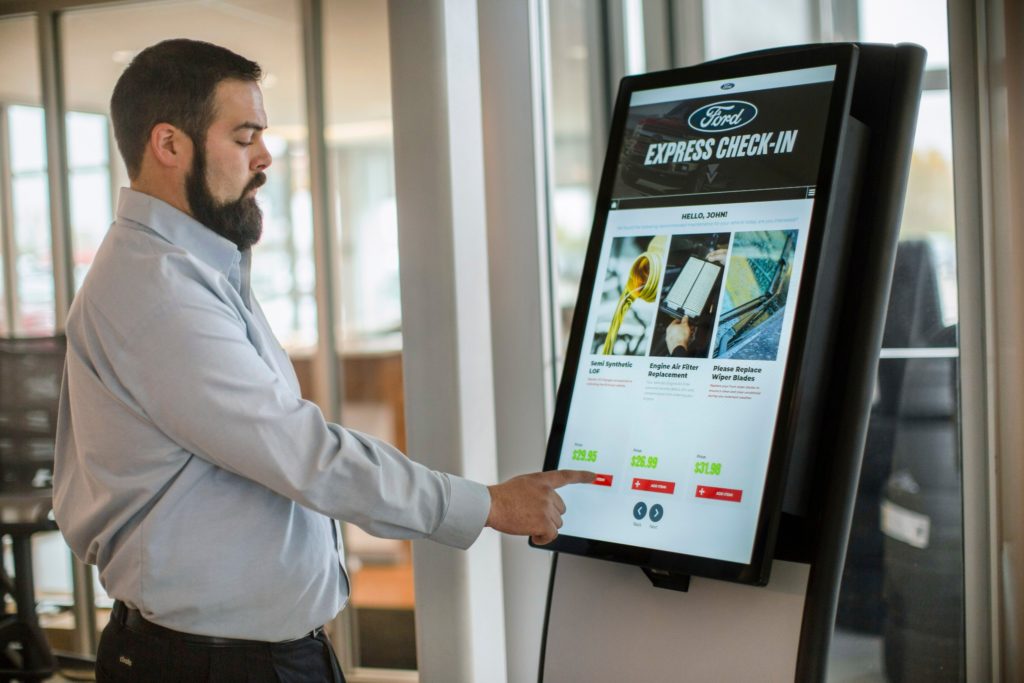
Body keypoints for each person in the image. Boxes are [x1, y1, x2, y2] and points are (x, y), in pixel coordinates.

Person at [52, 39, 592, 683]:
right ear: (168, 144)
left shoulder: (195, 269)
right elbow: (301, 452)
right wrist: (488, 505)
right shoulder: (156, 290)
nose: (265, 158)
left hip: (245, 654)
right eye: (244, 136)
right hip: (210, 665)